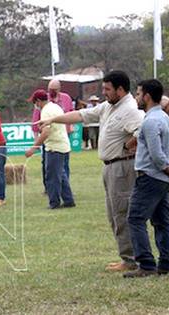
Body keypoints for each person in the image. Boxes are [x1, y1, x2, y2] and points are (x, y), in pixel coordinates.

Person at [37, 70, 144, 272]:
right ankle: (127, 257)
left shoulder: (130, 109)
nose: (104, 93)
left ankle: (131, 259)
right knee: (113, 214)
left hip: (122, 166)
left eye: (107, 89)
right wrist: (53, 120)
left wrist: (126, 147)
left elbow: (142, 133)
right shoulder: (109, 106)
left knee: (122, 213)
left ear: (120, 90)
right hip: (110, 167)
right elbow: (81, 115)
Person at [123, 79, 169, 278]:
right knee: (162, 221)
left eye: (139, 94)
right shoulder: (166, 119)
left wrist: (166, 170)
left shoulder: (149, 121)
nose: (137, 98)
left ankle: (146, 264)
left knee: (135, 219)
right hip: (163, 179)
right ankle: (166, 263)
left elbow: (156, 155)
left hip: (150, 177)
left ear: (147, 96)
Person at [26, 90, 75, 209]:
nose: (35, 106)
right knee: (61, 175)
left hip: (54, 146)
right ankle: (68, 200)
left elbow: (46, 132)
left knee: (52, 177)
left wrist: (33, 148)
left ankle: (54, 203)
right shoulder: (55, 106)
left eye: (35, 102)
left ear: (38, 101)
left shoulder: (46, 111)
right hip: (63, 144)